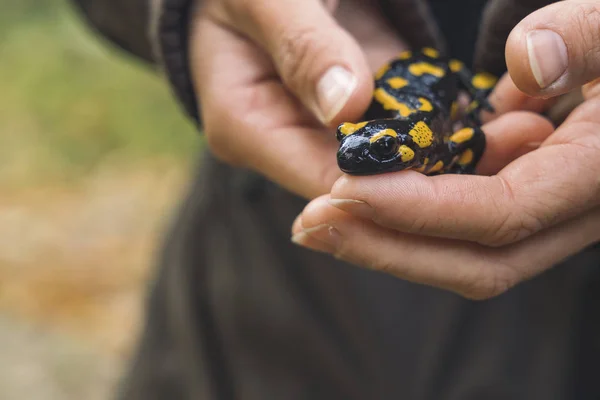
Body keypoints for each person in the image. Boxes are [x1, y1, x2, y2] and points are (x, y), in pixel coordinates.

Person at [72, 0, 600, 398]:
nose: (353, 153)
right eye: (351, 139)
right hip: (262, 288)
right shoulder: (408, 138)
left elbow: (469, 138)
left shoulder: (434, 137)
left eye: (379, 149)